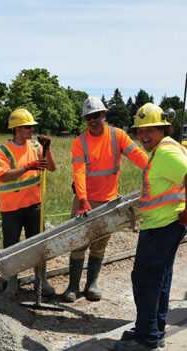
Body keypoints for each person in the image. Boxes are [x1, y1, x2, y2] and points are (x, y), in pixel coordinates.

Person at [112, 103, 187, 351]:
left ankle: (146, 340)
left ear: (162, 128)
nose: (143, 137)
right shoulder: (171, 146)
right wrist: (185, 212)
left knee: (145, 281)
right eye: (140, 132)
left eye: (149, 131)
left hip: (161, 226)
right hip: (167, 225)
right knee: (160, 280)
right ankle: (155, 331)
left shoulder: (164, 152)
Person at [63, 97, 148, 302]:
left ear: (104, 115)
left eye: (97, 116)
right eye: (88, 117)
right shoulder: (80, 142)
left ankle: (92, 284)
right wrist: (83, 199)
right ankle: (73, 286)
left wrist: (154, 170)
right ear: (85, 119)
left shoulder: (117, 136)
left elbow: (138, 156)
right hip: (85, 200)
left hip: (109, 201)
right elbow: (79, 172)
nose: (93, 120)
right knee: (78, 242)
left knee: (100, 244)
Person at [0, 108, 57, 296]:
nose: (32, 130)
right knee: (12, 246)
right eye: (28, 127)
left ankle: (41, 281)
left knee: (38, 246)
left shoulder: (37, 147)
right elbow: (4, 176)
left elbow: (52, 168)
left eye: (32, 127)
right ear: (17, 129)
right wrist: (28, 166)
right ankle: (12, 283)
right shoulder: (4, 151)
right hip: (11, 208)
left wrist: (48, 149)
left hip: (34, 205)